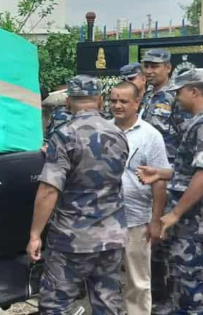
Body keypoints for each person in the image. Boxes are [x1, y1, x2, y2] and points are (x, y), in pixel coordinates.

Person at [28, 75, 129, 315]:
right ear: (100, 100)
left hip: (72, 238)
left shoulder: (65, 135)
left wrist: (35, 234)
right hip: (111, 237)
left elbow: (49, 189)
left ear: (68, 102)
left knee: (56, 305)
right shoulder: (118, 134)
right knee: (107, 304)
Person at [139, 68, 203, 314]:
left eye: (179, 92)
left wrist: (175, 213)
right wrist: (162, 173)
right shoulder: (201, 122)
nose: (176, 98)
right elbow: (194, 171)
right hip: (197, 228)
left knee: (191, 303)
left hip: (198, 228)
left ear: (194, 92)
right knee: (201, 301)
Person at [107, 81, 170, 315]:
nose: (117, 105)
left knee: (138, 281)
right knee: (105, 279)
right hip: (104, 218)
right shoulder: (103, 130)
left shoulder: (150, 136)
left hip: (136, 219)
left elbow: (159, 180)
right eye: (113, 100)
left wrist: (156, 220)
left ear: (137, 103)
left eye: (123, 101)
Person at [137, 49, 189, 314]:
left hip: (167, 178)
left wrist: (172, 173)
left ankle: (167, 298)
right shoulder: (148, 96)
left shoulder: (175, 98)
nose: (149, 71)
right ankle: (155, 294)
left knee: (165, 239)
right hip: (147, 177)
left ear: (168, 68)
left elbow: (186, 141)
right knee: (151, 237)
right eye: (146, 66)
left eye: (155, 66)